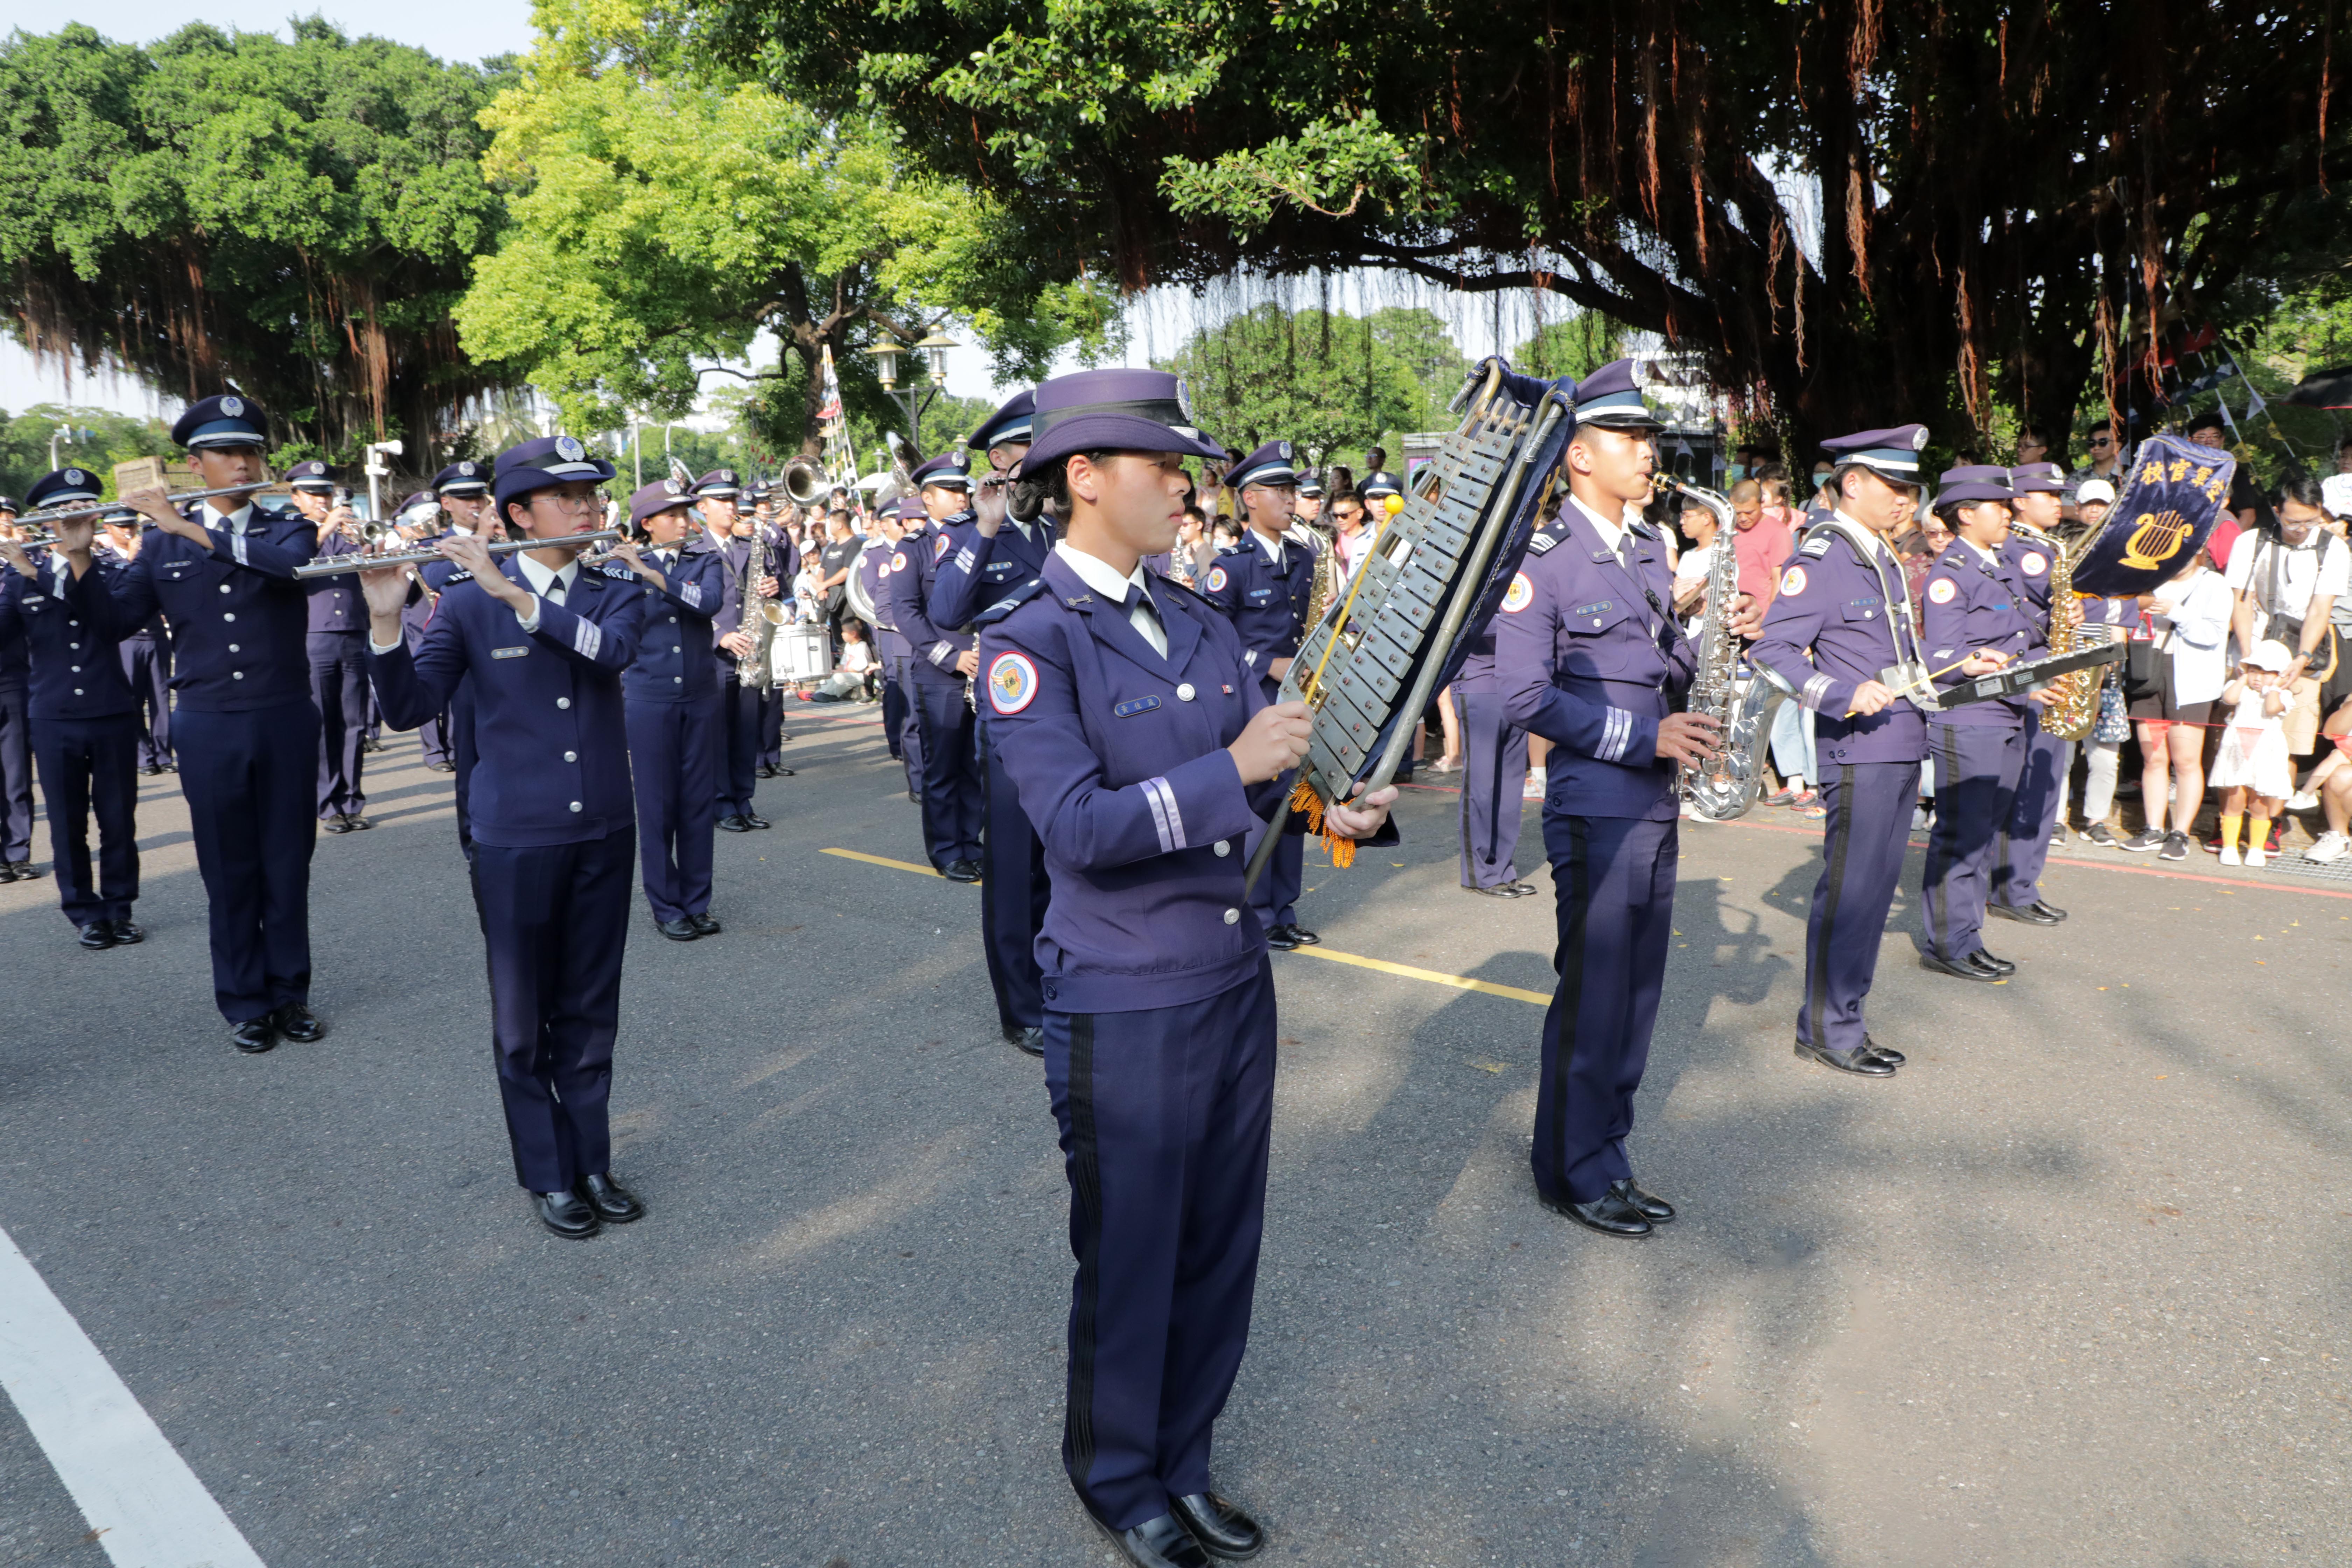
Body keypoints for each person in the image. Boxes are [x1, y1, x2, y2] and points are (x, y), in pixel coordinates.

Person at [972, 367, 1395, 1568]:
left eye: (1185, 465)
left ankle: (1187, 1457)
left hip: (1228, 981)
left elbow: (1275, 769)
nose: (1184, 484)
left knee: (1220, 1239)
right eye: (1161, 465)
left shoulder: (1199, 617)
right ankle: (1118, 1475)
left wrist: (1334, 811)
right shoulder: (1031, 644)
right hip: (1126, 997)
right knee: (1135, 1247)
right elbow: (1081, 830)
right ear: (1085, 479)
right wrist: (1245, 770)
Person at [357, 434, 651, 1240]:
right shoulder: (465, 602)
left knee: (591, 1007)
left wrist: (522, 599)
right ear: (519, 515)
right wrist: (387, 624)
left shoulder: (612, 588)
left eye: (594, 492)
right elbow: (411, 708)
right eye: (570, 497)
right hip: (514, 836)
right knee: (524, 1019)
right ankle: (549, 1173)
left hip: (601, 828)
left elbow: (611, 655)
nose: (591, 506)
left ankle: (592, 1158)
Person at [1496, 358, 1713, 1235]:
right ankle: (1569, 1171)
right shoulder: (1543, 559)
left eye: (1650, 438)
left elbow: (1662, 670)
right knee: (1594, 996)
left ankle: (1608, 1155)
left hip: (1654, 805)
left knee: (1636, 999)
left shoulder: (1648, 549)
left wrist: (1708, 637)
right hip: (1596, 805)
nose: (1649, 452)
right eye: (1632, 438)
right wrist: (1642, 736)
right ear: (1581, 455)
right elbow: (1520, 695)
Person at [69, 396, 326, 1052]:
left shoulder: (285, 528)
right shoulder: (157, 545)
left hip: (283, 716)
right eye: (224, 454)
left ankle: (289, 993)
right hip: (210, 722)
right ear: (196, 464)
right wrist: (79, 561)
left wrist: (187, 531)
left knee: (287, 863)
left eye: (250, 452)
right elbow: (112, 625)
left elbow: (289, 571)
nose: (242, 463)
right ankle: (244, 1001)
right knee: (229, 868)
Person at [1754, 424, 1981, 1074]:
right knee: (1852, 895)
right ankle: (1828, 1028)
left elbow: (1901, 658)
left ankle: (1846, 1017)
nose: (1907, 499)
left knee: (1876, 893)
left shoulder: (1878, 554)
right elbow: (1773, 650)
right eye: (1895, 486)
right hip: (1859, 750)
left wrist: (1963, 664)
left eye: (1911, 488)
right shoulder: (1825, 556)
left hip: (1900, 743)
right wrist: (1839, 692)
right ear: (1852, 484)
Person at [928, 390, 1053, 1053]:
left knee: (1064, 861)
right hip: (1010, 722)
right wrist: (984, 527)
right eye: (1031, 448)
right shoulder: (969, 533)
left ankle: (1062, 982)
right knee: (1013, 868)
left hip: (1070, 715)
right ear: (1002, 460)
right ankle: (1021, 1006)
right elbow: (948, 611)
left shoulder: (1065, 525)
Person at [1913, 465, 2047, 982]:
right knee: (1962, 834)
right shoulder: (1952, 573)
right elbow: (1943, 654)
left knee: (1985, 832)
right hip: (1972, 716)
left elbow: (2023, 636)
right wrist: (1970, 662)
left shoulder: (1998, 564)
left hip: (2008, 710)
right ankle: (1948, 942)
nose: (2011, 514)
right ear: (1967, 515)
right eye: (2001, 506)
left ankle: (1968, 936)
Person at [0, 471, 143, 947]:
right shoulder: (18, 579)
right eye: (66, 510)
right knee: (67, 823)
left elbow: (109, 624)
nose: (78, 517)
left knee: (118, 818)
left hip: (111, 711)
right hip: (54, 715)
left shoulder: (115, 572)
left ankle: (120, 908)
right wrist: (18, 574)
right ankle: (84, 912)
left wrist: (31, 571)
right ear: (48, 520)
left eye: (85, 506)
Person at [1201, 439, 1321, 949]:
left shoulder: (1302, 555)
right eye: (1279, 491)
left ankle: (1283, 908)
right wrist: (1264, 662)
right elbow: (1212, 639)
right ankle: (1254, 907)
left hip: (1296, 696)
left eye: (1293, 490)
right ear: (1250, 499)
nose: (1291, 500)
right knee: (1255, 808)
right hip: (1252, 700)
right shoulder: (1234, 564)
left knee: (1293, 798)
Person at [620, 479, 729, 941]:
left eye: (687, 514)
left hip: (701, 695)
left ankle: (696, 901)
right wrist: (635, 570)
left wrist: (655, 578)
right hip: (649, 698)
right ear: (648, 524)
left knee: (697, 804)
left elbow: (708, 603)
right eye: (674, 516)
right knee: (658, 805)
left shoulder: (705, 561)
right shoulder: (622, 567)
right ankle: (666, 905)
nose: (685, 523)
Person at [2224, 474, 2344, 855]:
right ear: (2277, 512)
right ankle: (2230, 819)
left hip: (2303, 656)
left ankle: (2270, 822)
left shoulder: (2333, 549)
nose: (2300, 530)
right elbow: (2240, 601)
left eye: (2310, 522)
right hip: (2254, 643)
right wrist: (2249, 657)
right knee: (2236, 736)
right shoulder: (2252, 541)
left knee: (2286, 741)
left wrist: (2303, 657)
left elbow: (2320, 609)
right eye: (2293, 522)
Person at [888, 451, 985, 880]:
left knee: (975, 764)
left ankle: (972, 841)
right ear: (927, 499)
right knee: (943, 765)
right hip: (942, 671)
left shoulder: (981, 537)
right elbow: (906, 613)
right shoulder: (914, 547)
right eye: (951, 491)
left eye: (964, 489)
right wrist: (952, 656)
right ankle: (947, 850)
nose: (963, 497)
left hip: (982, 667)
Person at [1990, 460, 2077, 922]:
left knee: (2041, 782)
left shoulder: (2045, 545)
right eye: (2048, 495)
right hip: (2035, 671)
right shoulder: (2025, 549)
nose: (2058, 502)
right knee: (2030, 784)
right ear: (2020, 501)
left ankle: (2019, 881)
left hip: (2049, 665)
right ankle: (2012, 886)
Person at [2116, 543, 2231, 860]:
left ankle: (2180, 833)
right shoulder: (2151, 579)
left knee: (2185, 761)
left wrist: (2175, 611)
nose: (2178, 561)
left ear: (2200, 554)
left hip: (2191, 682)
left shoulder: (2214, 584)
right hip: (2148, 673)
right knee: (2152, 757)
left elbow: (2213, 634)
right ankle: (2153, 828)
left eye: (2187, 553)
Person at [286, 463, 374, 834]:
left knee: (355, 722)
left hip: (354, 631)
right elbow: (293, 565)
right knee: (324, 722)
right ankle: (327, 804)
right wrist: (326, 528)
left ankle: (352, 800)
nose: (322, 500)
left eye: (325, 493)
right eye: (313, 493)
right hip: (315, 635)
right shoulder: (291, 531)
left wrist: (370, 544)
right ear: (296, 498)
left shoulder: (349, 533)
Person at [700, 468, 782, 832]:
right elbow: (685, 605)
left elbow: (770, 597)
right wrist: (719, 635)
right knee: (718, 732)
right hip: (714, 655)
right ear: (702, 507)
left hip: (749, 651)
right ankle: (721, 804)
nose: (732, 507)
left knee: (746, 730)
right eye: (722, 500)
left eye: (733, 499)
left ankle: (743, 799)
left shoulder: (749, 547)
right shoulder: (692, 549)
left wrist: (772, 589)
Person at [93, 505, 175, 776]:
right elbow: (111, 596)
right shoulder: (102, 560)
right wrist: (129, 561)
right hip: (127, 639)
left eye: (131, 526)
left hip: (155, 635)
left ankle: (163, 754)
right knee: (132, 699)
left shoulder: (150, 555)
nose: (129, 531)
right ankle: (143, 756)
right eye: (121, 527)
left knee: (162, 698)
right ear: (108, 529)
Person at [855, 499, 924, 800]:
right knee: (902, 698)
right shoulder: (879, 556)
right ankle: (914, 773)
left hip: (931, 641)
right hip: (897, 636)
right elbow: (880, 602)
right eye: (899, 520)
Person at [2208, 640, 2296, 867]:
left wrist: (2276, 687)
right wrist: (2241, 678)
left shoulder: (2282, 695)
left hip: (2265, 755)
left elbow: (2271, 709)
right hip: (2237, 750)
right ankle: (2229, 846)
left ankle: (2256, 848)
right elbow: (2229, 699)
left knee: (2259, 803)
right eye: (2254, 671)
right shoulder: (2243, 690)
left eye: (2267, 673)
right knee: (2235, 799)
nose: (2258, 678)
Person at [2068, 419, 2128, 504]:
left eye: (2103, 442)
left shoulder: (2130, 476)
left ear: (2118, 445)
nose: (2096, 447)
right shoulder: (2076, 477)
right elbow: (2066, 510)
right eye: (2092, 443)